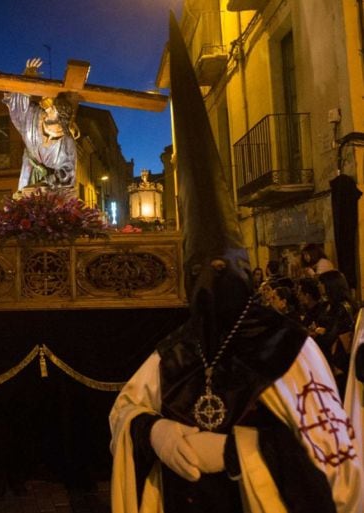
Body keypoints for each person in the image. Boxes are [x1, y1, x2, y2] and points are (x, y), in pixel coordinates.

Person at [109, 16, 363, 512]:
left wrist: (235, 452)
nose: (211, 282)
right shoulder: (178, 351)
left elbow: (338, 464)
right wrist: (153, 432)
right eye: (200, 273)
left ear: (245, 271)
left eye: (222, 269)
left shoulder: (287, 348)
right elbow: (124, 410)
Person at [4, 57, 77, 192]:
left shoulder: (67, 142)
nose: (47, 109)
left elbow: (69, 172)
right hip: (28, 175)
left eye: (52, 109)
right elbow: (19, 106)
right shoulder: (33, 116)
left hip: (53, 192)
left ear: (61, 118)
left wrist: (47, 182)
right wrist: (27, 78)